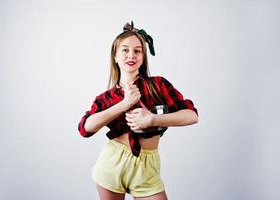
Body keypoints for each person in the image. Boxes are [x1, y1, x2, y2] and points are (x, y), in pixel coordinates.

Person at [78, 21, 198, 200]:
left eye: (137, 50)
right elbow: (85, 128)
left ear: (143, 57)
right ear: (116, 56)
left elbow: (191, 116)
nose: (131, 55)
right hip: (112, 164)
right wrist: (124, 104)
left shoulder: (158, 85)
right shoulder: (107, 97)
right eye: (125, 50)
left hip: (147, 167)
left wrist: (152, 120)